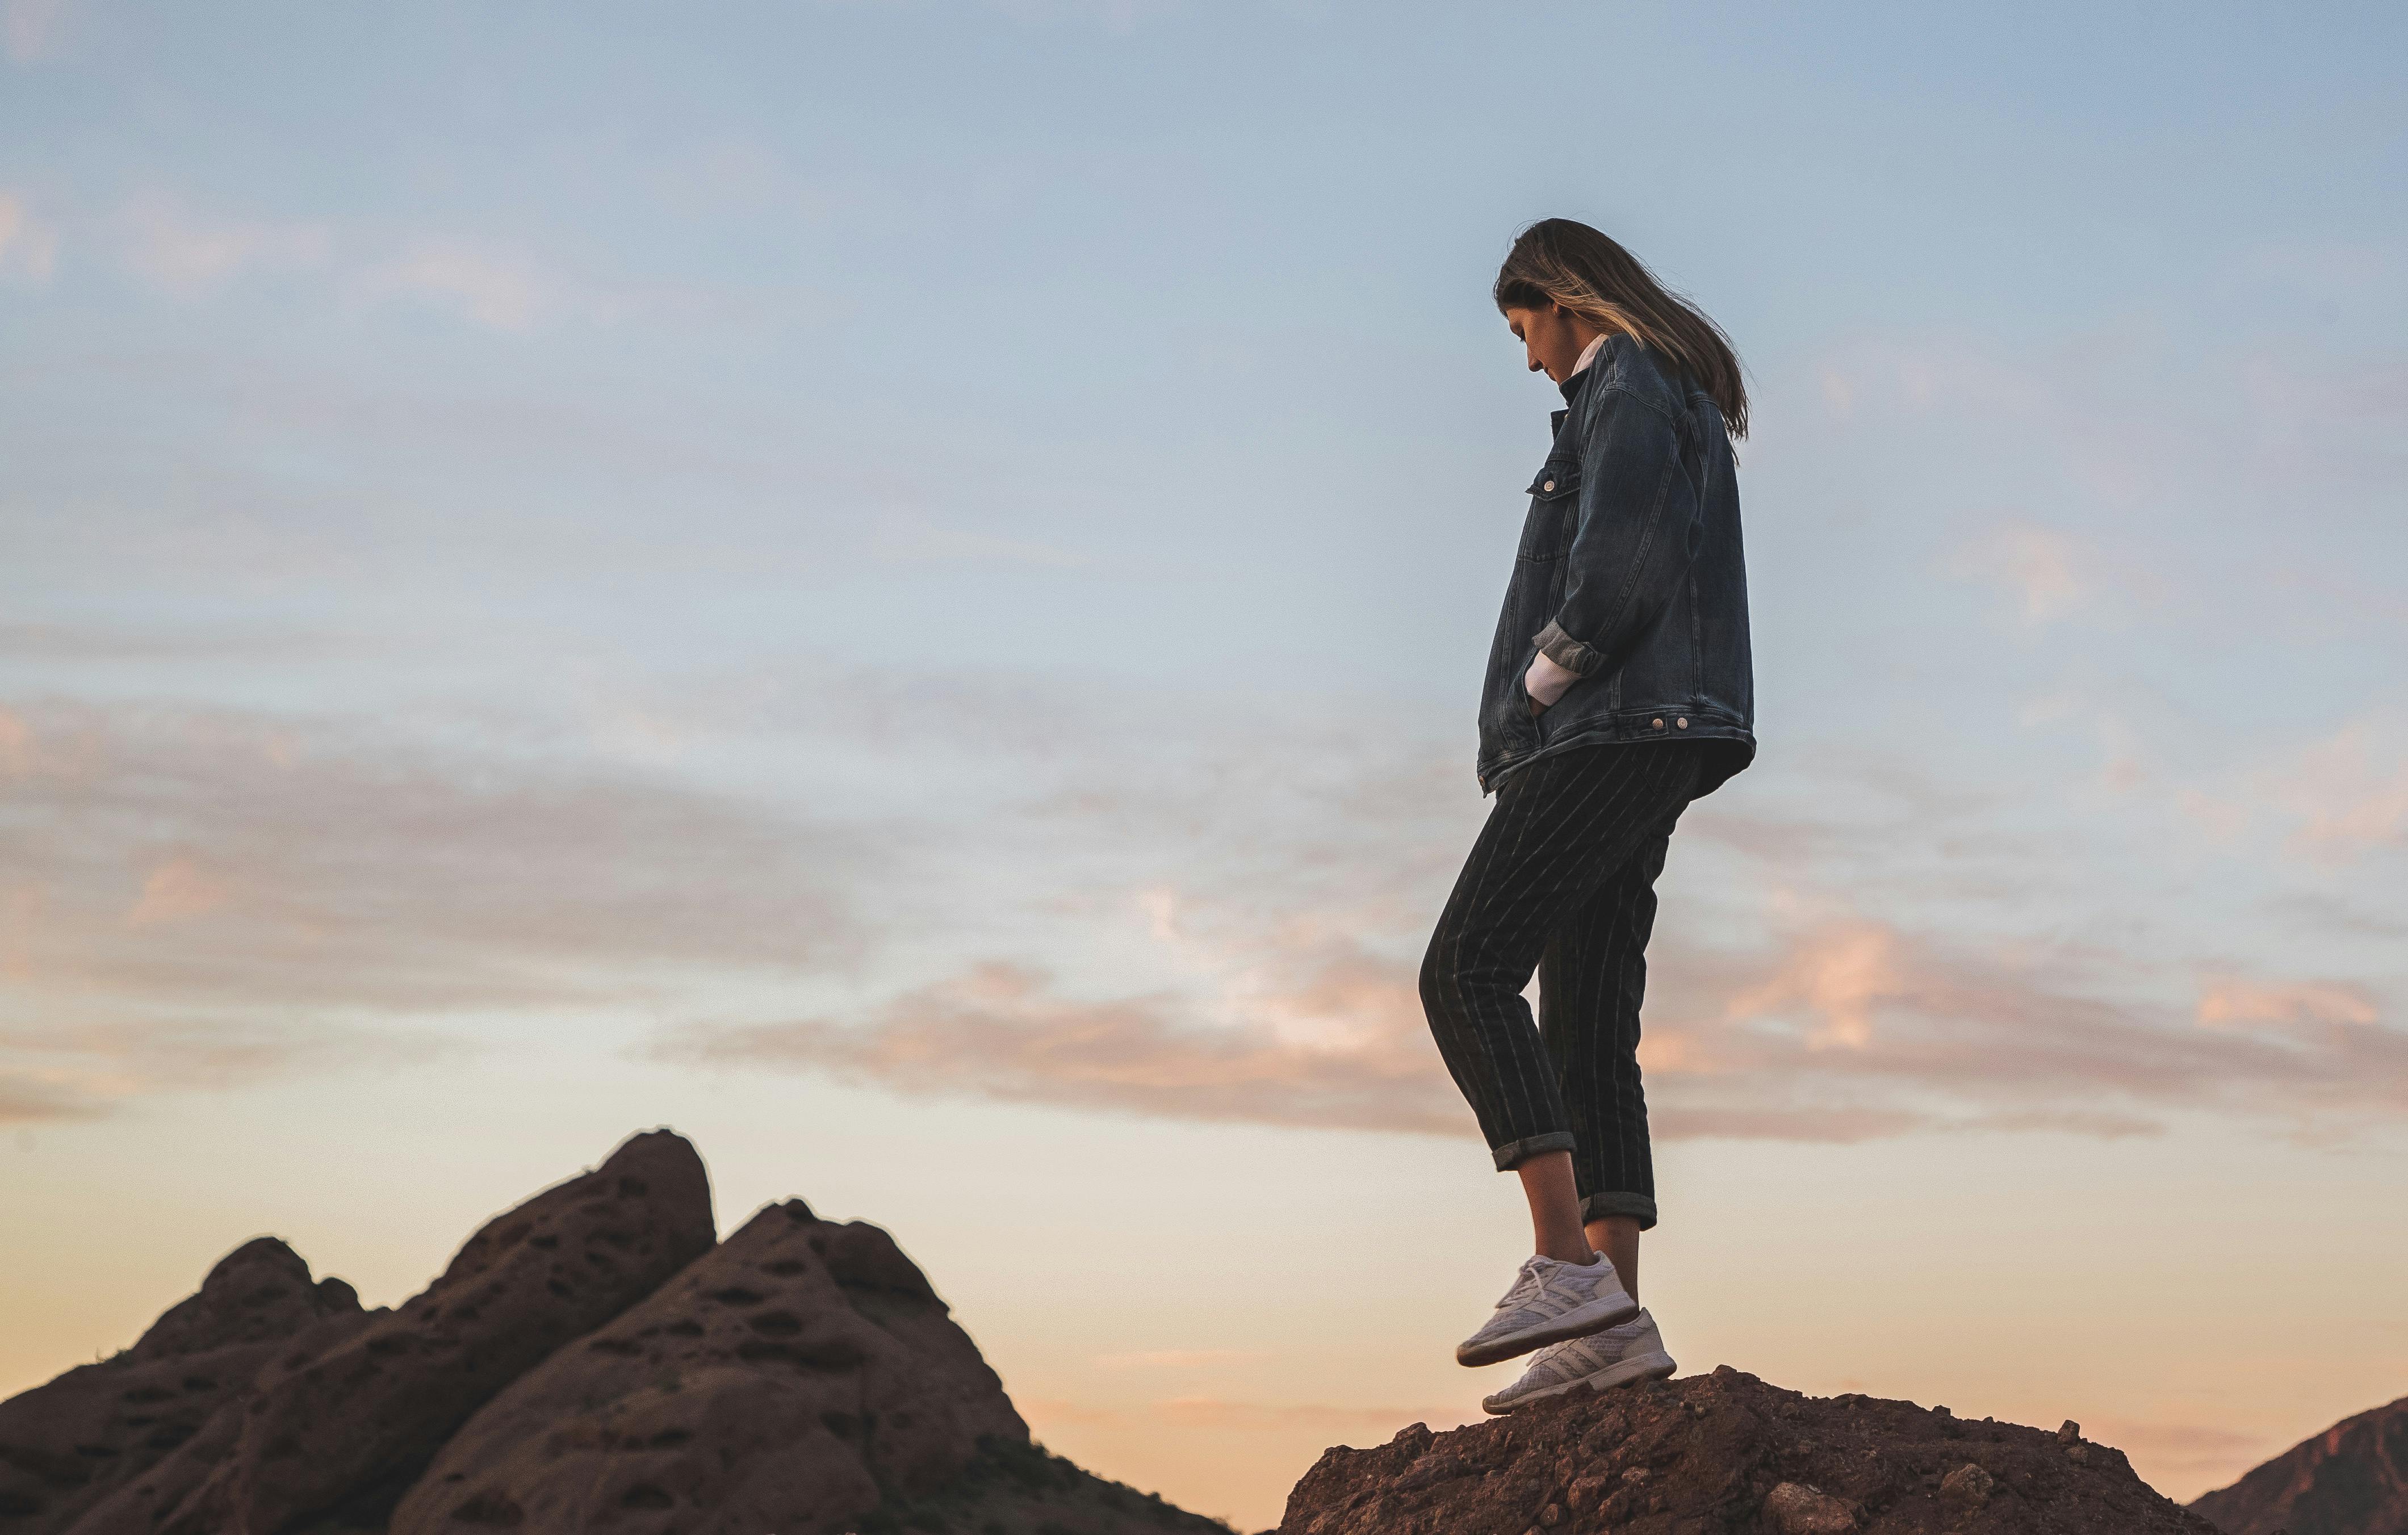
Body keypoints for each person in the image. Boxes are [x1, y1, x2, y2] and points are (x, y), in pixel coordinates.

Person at [1422, 218, 1755, 1414]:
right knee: (1588, 1021)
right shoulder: (1659, 394)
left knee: (1464, 968)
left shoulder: (1624, 380)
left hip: (1610, 725)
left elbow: (1618, 569)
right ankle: (1613, 1321)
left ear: (1566, 300)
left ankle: (1564, 1269)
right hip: (1659, 733)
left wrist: (1540, 679)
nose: (1527, 360)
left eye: (1526, 330)